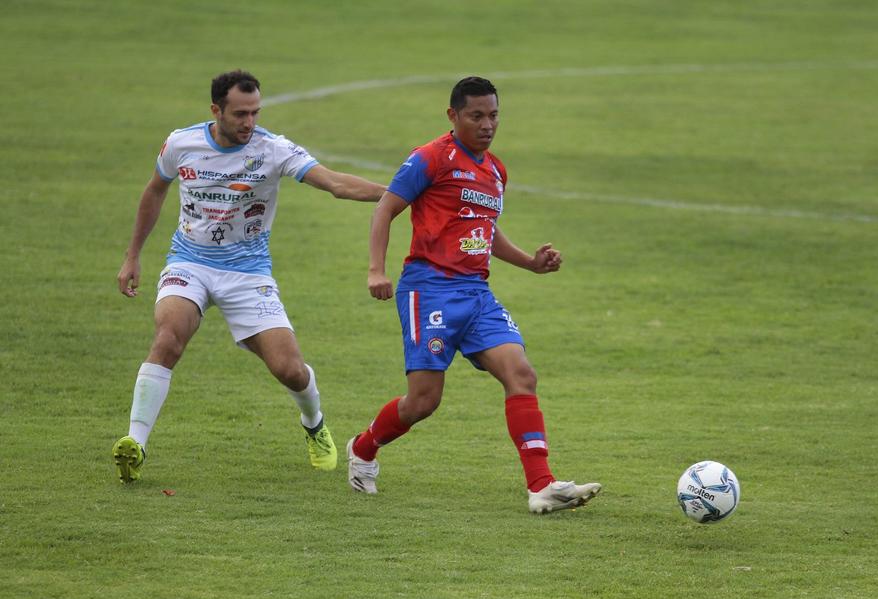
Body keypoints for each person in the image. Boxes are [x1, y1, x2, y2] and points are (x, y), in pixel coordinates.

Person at [112, 70, 386, 484]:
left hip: (247, 274)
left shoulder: (272, 150)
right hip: (189, 263)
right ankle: (135, 444)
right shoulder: (180, 143)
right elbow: (155, 190)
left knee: (289, 369)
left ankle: (314, 423)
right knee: (168, 338)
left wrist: (400, 191)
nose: (249, 123)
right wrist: (132, 256)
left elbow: (334, 183)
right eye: (240, 114)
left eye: (255, 112)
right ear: (215, 110)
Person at [346, 76, 601, 514]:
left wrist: (530, 262)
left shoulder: (496, 170)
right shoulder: (430, 158)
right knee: (423, 401)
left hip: (475, 292)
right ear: (453, 116)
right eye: (476, 116)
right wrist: (375, 270)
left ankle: (541, 485)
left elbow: (485, 231)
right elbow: (386, 207)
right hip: (429, 290)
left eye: (494, 115)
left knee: (521, 374)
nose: (487, 124)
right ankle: (364, 449)